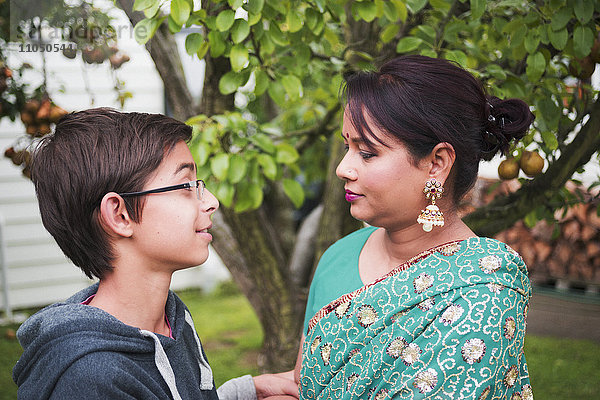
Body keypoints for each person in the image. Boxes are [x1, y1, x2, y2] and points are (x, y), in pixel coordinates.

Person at [12, 108, 297, 400]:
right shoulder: (91, 379)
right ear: (120, 215)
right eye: (186, 186)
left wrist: (247, 391)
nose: (211, 202)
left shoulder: (170, 318)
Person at [295, 56, 535, 399]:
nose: (343, 168)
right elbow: (302, 382)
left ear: (436, 163)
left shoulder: (483, 293)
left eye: (366, 153)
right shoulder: (339, 256)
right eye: (347, 146)